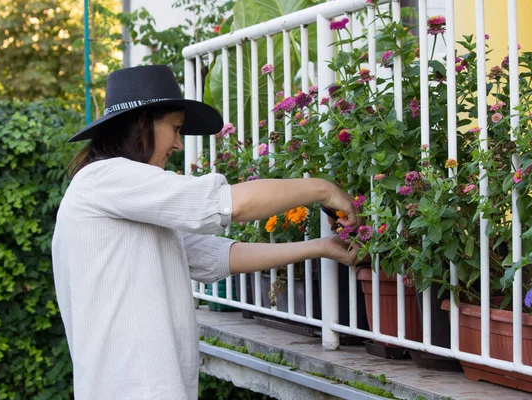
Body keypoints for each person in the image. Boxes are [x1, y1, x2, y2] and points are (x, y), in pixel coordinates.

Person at [51, 65, 360, 400]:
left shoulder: (124, 199)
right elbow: (227, 204)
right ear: (143, 123)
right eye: (175, 128)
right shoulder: (106, 179)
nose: (178, 144)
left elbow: (218, 256)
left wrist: (320, 247)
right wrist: (322, 190)